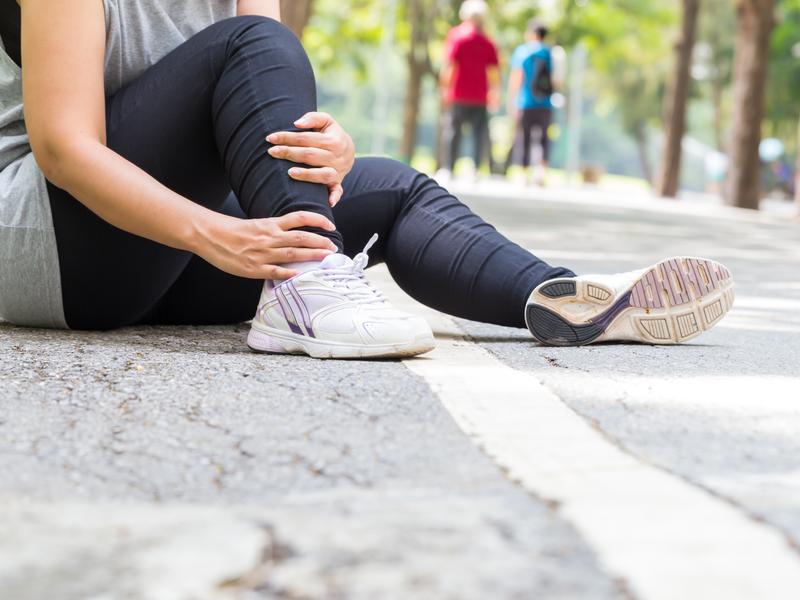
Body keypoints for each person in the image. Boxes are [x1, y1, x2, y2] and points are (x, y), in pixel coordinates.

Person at [0, 0, 735, 359]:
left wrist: (333, 151)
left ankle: (568, 300)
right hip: (49, 242)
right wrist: (216, 233)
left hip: (148, 254)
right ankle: (307, 288)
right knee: (250, 42)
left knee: (393, 189)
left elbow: (260, 114)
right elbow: (65, 148)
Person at [437, 0, 501, 181]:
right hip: (480, 95)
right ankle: (475, 169)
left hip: (458, 93)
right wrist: (494, 92)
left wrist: (444, 89)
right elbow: (493, 72)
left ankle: (449, 168)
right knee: (478, 133)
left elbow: (450, 66)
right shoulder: (488, 41)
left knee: (453, 131)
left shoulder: (456, 37)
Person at [507, 20, 556, 186]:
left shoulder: (522, 51)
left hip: (525, 101)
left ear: (531, 33)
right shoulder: (550, 53)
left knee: (524, 138)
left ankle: (523, 173)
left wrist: (512, 101)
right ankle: (541, 173)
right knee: (543, 139)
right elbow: (556, 79)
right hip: (546, 103)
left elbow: (516, 77)